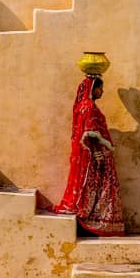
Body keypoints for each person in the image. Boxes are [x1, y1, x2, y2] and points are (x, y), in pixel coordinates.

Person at [54, 75, 125, 236]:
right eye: (100, 88)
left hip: (88, 154)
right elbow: (90, 133)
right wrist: (97, 153)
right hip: (95, 154)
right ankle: (95, 223)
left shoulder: (82, 106)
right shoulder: (90, 107)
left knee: (92, 187)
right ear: (93, 88)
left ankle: (90, 221)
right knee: (101, 187)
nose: (102, 91)